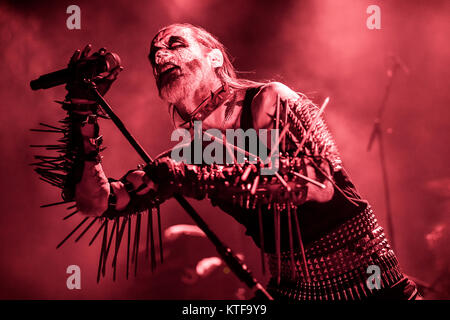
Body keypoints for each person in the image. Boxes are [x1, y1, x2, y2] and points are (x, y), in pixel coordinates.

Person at [41, 23, 419, 300]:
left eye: (175, 44)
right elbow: (98, 201)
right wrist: (82, 112)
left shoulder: (269, 100)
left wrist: (196, 178)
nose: (160, 56)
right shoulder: (187, 155)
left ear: (215, 57)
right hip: (292, 291)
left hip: (368, 283)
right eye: (154, 55)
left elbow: (317, 183)